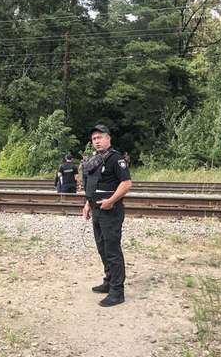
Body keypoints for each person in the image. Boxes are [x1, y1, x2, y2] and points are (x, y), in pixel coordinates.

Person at [82, 124, 132, 307]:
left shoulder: (115, 159)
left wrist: (111, 201)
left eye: (100, 137)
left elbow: (126, 184)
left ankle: (117, 292)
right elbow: (93, 184)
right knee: (102, 248)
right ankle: (109, 281)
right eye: (94, 138)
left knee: (112, 250)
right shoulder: (96, 159)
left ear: (108, 138)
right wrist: (88, 203)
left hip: (111, 211)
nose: (97, 141)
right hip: (96, 210)